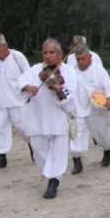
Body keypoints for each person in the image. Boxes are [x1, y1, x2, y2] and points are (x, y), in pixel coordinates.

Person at [18, 39, 77, 199]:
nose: (48, 56)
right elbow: (21, 82)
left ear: (60, 54)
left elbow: (71, 100)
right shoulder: (36, 69)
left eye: (52, 52)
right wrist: (28, 87)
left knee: (58, 152)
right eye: (45, 52)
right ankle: (51, 174)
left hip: (57, 119)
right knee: (38, 151)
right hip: (37, 118)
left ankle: (53, 182)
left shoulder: (69, 72)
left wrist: (58, 89)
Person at [0, 33, 30, 170]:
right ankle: (2, 157)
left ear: (5, 45)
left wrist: (29, 94)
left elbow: (29, 75)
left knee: (24, 128)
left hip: (18, 101)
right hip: (0, 102)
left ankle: (33, 145)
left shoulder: (18, 57)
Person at [70, 46, 110, 174]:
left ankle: (107, 150)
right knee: (75, 136)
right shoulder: (71, 72)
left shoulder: (99, 71)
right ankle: (77, 161)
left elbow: (109, 87)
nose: (80, 61)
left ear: (90, 57)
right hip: (78, 110)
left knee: (103, 134)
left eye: (83, 58)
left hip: (97, 110)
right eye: (78, 59)